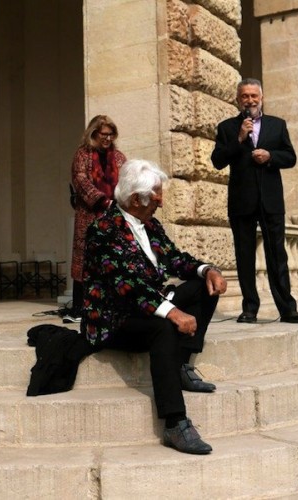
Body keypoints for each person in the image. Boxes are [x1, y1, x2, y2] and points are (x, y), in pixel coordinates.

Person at [81, 159, 228, 455]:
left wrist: (206, 269)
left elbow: (175, 259)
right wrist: (172, 311)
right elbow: (127, 286)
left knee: (204, 287)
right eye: (157, 195)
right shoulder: (103, 230)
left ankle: (182, 364)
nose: (160, 202)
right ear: (137, 199)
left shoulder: (150, 225)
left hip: (146, 304)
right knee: (164, 325)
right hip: (114, 317)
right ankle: (175, 423)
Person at [211, 78, 298, 324]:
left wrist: (270, 156)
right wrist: (239, 139)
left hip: (271, 201)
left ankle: (287, 308)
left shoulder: (277, 125)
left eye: (254, 96)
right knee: (244, 257)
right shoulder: (227, 127)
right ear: (238, 99)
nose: (250, 100)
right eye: (245, 96)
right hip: (241, 201)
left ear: (261, 98)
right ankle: (250, 308)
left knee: (277, 255)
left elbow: (291, 157)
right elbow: (218, 160)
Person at [67, 115, 127, 323]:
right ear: (94, 133)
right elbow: (80, 181)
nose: (108, 138)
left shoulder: (119, 158)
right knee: (84, 259)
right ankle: (80, 306)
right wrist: (102, 201)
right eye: (104, 134)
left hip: (114, 216)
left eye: (111, 134)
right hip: (89, 215)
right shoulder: (82, 155)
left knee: (113, 257)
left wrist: (122, 202)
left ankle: (111, 303)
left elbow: (127, 180)